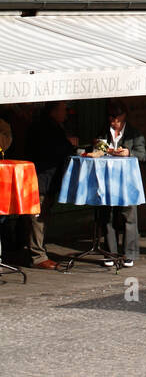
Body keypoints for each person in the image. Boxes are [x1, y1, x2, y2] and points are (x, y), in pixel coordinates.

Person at [22, 102, 78, 270]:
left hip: (47, 179)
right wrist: (70, 144)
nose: (66, 113)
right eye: (63, 110)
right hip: (40, 178)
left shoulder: (52, 126)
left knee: (42, 216)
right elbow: (54, 149)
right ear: (53, 111)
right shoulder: (44, 128)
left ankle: (38, 251)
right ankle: (38, 256)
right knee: (37, 217)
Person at [95, 101, 146, 268]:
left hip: (127, 179)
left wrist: (129, 152)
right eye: (111, 117)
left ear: (124, 116)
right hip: (107, 178)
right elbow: (94, 148)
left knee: (128, 215)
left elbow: (142, 154)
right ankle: (110, 252)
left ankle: (129, 253)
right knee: (107, 214)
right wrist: (99, 148)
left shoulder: (134, 134)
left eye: (116, 118)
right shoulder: (103, 132)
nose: (113, 121)